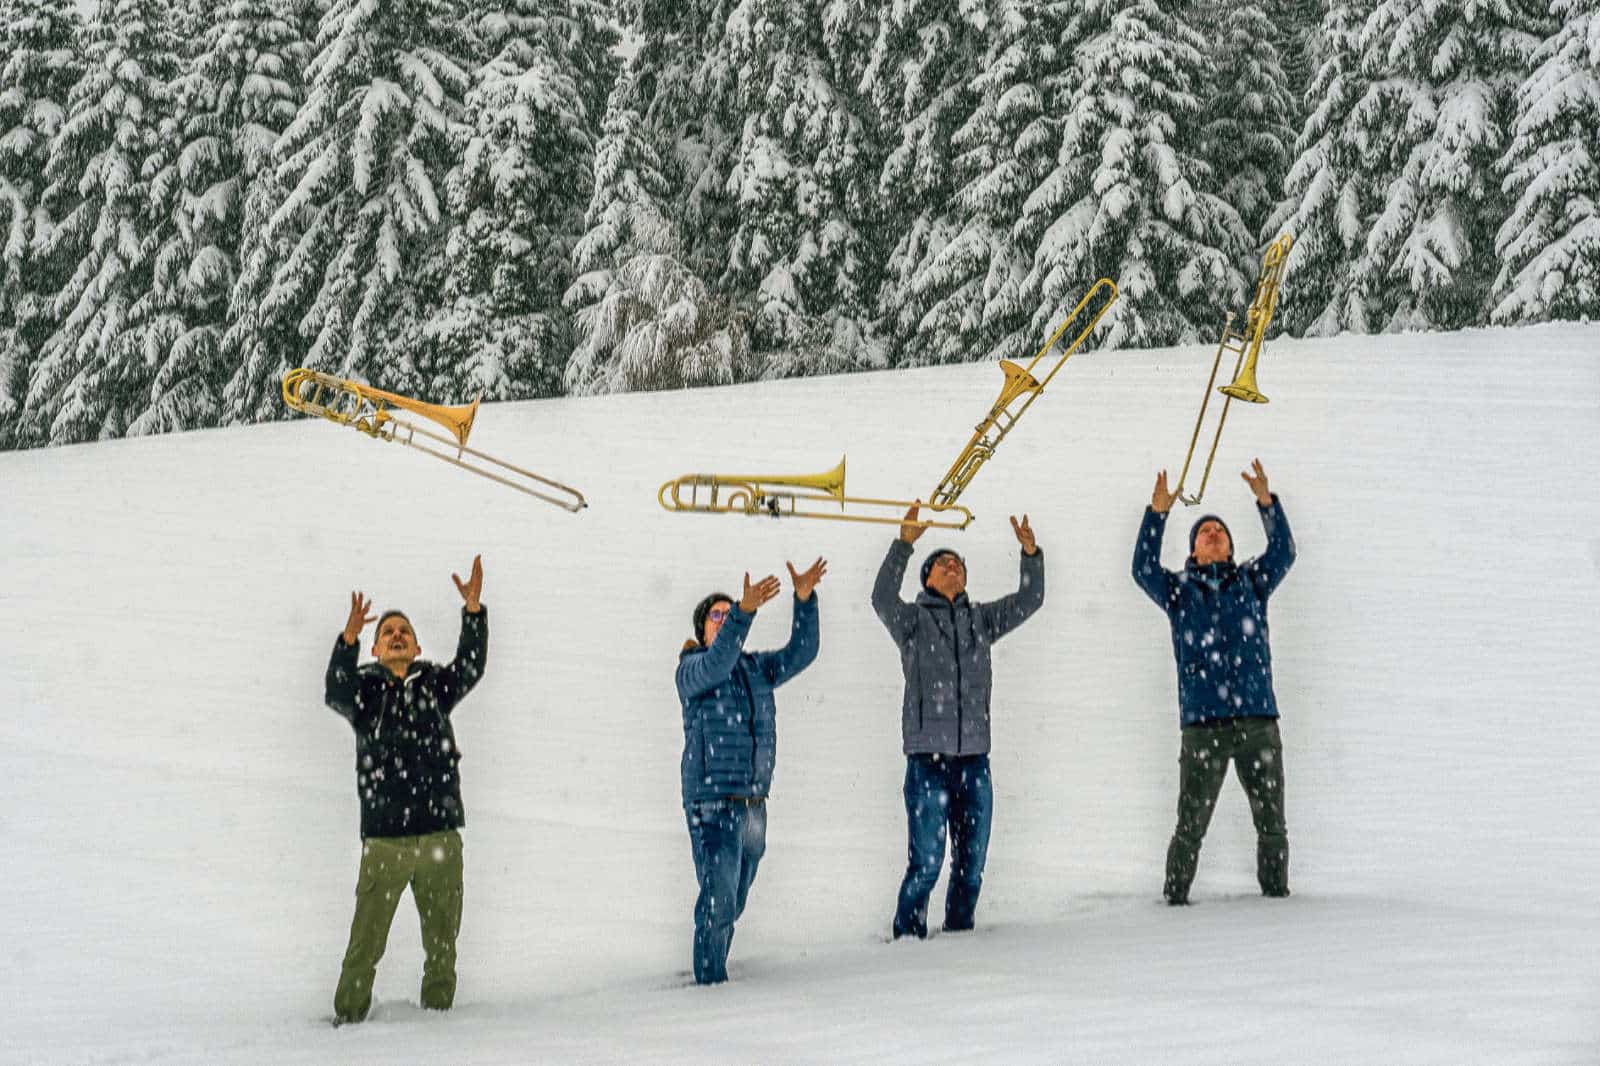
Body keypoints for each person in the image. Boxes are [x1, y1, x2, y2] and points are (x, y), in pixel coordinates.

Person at [323, 555, 488, 1024]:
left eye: (404, 632)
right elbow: (334, 688)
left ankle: (438, 1023)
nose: (397, 635)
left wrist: (473, 613)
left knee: (442, 944)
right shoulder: (365, 691)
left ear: (415, 647)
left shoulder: (434, 684)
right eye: (388, 632)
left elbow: (471, 667)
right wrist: (347, 640)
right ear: (376, 649)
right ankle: (347, 1022)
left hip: (439, 835)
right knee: (366, 943)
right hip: (385, 839)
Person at [872, 506, 1044, 939]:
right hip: (927, 761)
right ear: (927, 577)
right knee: (927, 862)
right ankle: (908, 939)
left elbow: (1029, 601)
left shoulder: (981, 620)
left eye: (960, 566)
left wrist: (1030, 554)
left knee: (972, 866)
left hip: (974, 760)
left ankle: (959, 938)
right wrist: (904, 544)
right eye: (945, 564)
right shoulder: (912, 621)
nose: (954, 569)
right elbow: (881, 599)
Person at [1133, 460, 1296, 905]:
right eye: (1204, 532)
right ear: (1194, 551)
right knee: (1190, 826)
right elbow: (1142, 569)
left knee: (1272, 824)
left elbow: (1283, 553)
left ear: (1228, 548)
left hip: (1258, 721)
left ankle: (1278, 900)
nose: (1212, 534)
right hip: (1204, 724)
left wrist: (1267, 502)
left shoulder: (1251, 581)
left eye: (1218, 532)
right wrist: (1157, 514)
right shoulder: (1179, 590)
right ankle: (1174, 901)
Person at [676, 558, 826, 984]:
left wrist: (804, 600)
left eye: (728, 613)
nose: (724, 620)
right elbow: (718, 663)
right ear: (702, 629)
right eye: (717, 616)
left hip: (754, 803)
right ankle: (709, 981)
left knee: (734, 899)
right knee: (719, 897)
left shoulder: (754, 669)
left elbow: (802, 653)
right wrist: (743, 612)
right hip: (712, 801)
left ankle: (714, 963)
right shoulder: (693, 669)